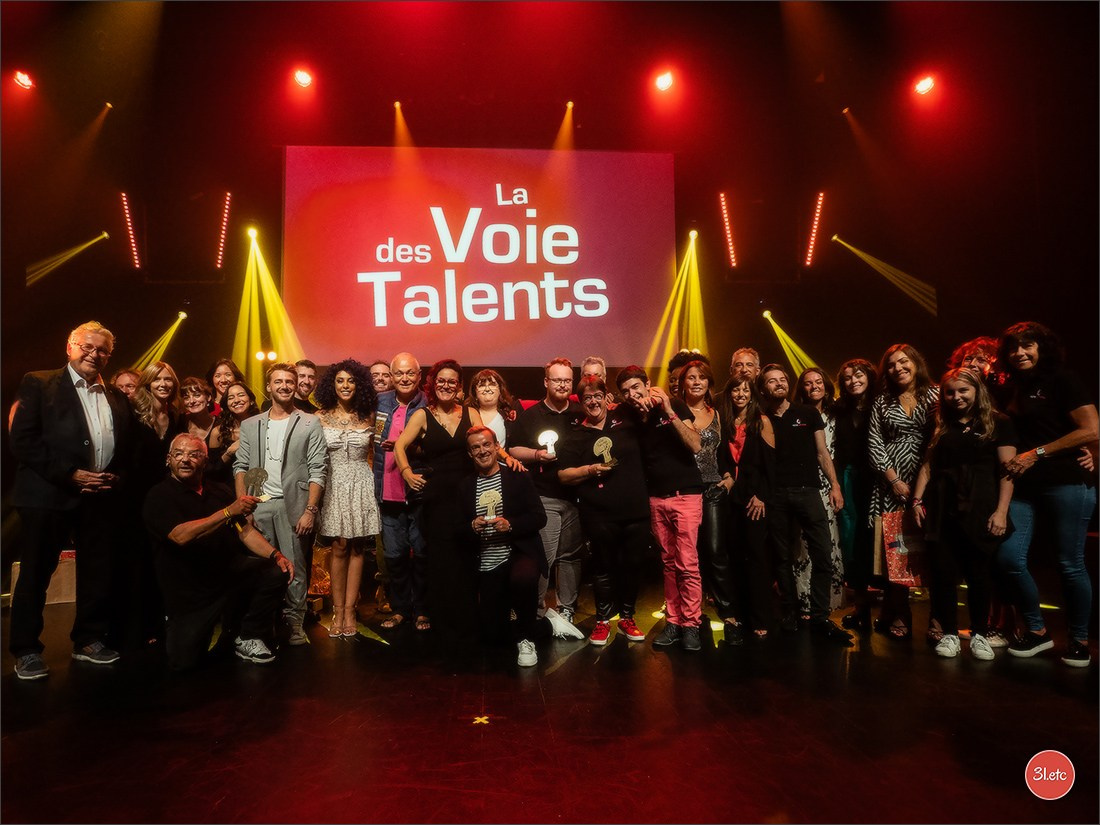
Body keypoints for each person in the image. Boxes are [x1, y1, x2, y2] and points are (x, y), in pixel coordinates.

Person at [9, 321, 135, 680]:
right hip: (48, 496)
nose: (94, 354)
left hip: (99, 499)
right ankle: (27, 649)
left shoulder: (116, 396)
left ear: (109, 357)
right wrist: (70, 474)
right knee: (35, 573)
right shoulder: (39, 382)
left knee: (97, 571)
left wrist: (115, 476)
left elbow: (125, 449)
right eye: (88, 347)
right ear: (70, 346)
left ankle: (89, 640)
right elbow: (23, 440)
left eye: (102, 351)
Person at [143, 434, 294, 669]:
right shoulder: (159, 495)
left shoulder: (219, 491)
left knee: (276, 570)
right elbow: (180, 536)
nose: (185, 460)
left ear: (205, 461)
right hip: (190, 594)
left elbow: (244, 531)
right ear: (168, 459)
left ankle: (246, 634)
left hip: (226, 575)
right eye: (179, 454)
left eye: (194, 455)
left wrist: (276, 555)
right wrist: (227, 512)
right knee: (184, 663)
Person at [996, 322, 1098, 667]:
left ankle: (1079, 640)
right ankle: (1037, 632)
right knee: (1010, 558)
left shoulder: (1062, 379)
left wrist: (1037, 454)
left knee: (1069, 564)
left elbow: (1091, 428)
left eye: (1028, 346)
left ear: (1043, 348)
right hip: (1024, 486)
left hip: (1066, 481)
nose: (1020, 353)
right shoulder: (1012, 387)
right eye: (1013, 348)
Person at [911, 369, 1016, 660]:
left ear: (976, 390)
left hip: (981, 503)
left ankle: (980, 634)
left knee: (979, 572)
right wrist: (917, 500)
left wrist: (1001, 511)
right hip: (943, 504)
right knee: (943, 571)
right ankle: (949, 634)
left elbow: (1008, 472)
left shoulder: (998, 422)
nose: (956, 397)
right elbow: (928, 465)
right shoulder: (942, 423)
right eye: (950, 392)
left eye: (962, 391)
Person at [395, 359, 499, 644]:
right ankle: (444, 626)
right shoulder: (422, 415)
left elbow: (486, 444)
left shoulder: (471, 412)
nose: (446, 385)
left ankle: (469, 623)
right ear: (432, 384)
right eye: (441, 380)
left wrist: (509, 460)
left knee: (467, 561)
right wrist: (406, 472)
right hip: (436, 501)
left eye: (452, 381)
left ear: (459, 386)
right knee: (440, 563)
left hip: (469, 497)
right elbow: (400, 447)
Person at [460, 426, 578, 665]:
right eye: (476, 447)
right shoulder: (465, 486)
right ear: (470, 454)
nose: (482, 451)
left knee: (523, 578)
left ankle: (527, 640)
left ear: (496, 447)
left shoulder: (518, 476)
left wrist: (511, 524)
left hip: (518, 553)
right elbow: (456, 525)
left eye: (486, 445)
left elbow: (538, 517)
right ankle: (547, 623)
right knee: (492, 635)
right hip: (486, 561)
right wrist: (472, 525)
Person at [234, 362, 327, 646]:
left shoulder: (310, 422)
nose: (285, 386)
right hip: (259, 505)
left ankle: (296, 625)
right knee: (265, 569)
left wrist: (310, 510)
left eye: (290, 381)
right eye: (279, 381)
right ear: (269, 386)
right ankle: (266, 625)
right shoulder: (251, 424)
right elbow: (241, 466)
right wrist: (243, 506)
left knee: (296, 570)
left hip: (295, 506)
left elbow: (318, 469)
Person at [758, 363, 851, 645]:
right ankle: (790, 613)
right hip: (776, 495)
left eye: (783, 379)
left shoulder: (807, 413)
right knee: (783, 558)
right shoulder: (760, 418)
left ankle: (821, 616)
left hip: (809, 492)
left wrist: (835, 486)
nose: (779, 383)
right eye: (772, 381)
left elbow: (823, 453)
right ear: (763, 389)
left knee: (823, 553)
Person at [617, 365, 706, 651]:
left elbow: (695, 445)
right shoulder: (632, 417)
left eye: (636, 387)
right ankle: (674, 621)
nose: (632, 394)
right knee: (668, 564)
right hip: (656, 498)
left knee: (688, 564)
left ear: (647, 384)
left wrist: (668, 410)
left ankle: (692, 624)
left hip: (686, 495)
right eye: (626, 391)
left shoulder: (674, 404)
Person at [557, 376, 649, 645]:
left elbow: (649, 399)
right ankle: (602, 620)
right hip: (599, 513)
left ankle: (627, 618)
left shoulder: (626, 418)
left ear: (607, 396)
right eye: (587, 398)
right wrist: (590, 470)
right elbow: (563, 475)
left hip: (635, 509)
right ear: (581, 402)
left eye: (598, 395)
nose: (593, 401)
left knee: (632, 565)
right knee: (603, 567)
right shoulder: (576, 434)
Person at [867, 344, 940, 643]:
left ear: (916, 362)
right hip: (892, 484)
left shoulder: (936, 394)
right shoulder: (882, 401)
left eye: (903, 361)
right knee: (896, 553)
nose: (898, 368)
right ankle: (899, 614)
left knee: (935, 552)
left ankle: (939, 617)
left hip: (932, 480)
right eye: (892, 365)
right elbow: (874, 443)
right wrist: (894, 480)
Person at [508, 358, 586, 629]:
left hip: (577, 498)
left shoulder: (580, 412)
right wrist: (537, 454)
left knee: (570, 557)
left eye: (567, 380)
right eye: (557, 380)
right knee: (544, 558)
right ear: (546, 382)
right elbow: (512, 449)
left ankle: (566, 609)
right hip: (545, 498)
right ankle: (535, 610)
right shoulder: (531, 415)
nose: (563, 384)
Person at [314, 359, 380, 638]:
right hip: (332, 484)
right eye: (340, 380)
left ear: (359, 385)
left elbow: (377, 453)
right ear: (332, 384)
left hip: (361, 483)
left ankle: (351, 610)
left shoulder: (370, 416)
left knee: (357, 548)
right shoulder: (318, 417)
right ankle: (336, 609)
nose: (345, 385)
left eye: (351, 381)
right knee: (339, 547)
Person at [678, 359, 740, 644]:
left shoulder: (718, 415)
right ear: (683, 383)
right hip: (684, 490)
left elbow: (726, 455)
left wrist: (729, 480)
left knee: (716, 550)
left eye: (701, 378)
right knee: (690, 555)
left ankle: (728, 614)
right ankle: (693, 611)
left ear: (708, 383)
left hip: (714, 489)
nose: (696, 382)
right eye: (691, 377)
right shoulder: (675, 412)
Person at [714, 376, 776, 639]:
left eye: (745, 390)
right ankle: (737, 614)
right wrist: (727, 477)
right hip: (731, 498)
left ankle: (759, 616)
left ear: (752, 394)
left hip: (755, 499)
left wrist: (761, 496)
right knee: (734, 556)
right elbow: (722, 460)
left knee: (757, 558)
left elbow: (771, 465)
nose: (740, 393)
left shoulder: (761, 421)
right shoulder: (724, 422)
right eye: (735, 389)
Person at [373, 352, 429, 631]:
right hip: (387, 491)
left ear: (419, 377)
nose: (404, 378)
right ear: (391, 377)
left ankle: (421, 610)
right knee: (394, 556)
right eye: (399, 374)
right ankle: (400, 609)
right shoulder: (380, 401)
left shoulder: (428, 405)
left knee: (421, 554)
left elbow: (438, 447)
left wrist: (408, 446)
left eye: (410, 373)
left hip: (418, 491)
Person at [792, 367, 844, 620]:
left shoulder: (836, 414)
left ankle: (826, 602)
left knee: (829, 543)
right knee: (804, 545)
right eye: (808, 383)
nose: (814, 387)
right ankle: (804, 602)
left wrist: (836, 484)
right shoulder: (796, 414)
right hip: (807, 483)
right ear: (801, 388)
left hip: (832, 482)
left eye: (819, 382)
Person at [833, 358, 878, 632]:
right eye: (847, 377)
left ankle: (896, 611)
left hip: (878, 478)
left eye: (858, 375)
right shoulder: (840, 408)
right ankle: (861, 607)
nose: (853, 381)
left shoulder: (882, 404)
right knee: (852, 541)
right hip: (850, 476)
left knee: (880, 540)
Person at [207, 381, 261, 486]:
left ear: (251, 401)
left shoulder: (264, 426)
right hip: (228, 490)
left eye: (241, 395)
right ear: (226, 405)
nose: (236, 400)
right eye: (231, 398)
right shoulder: (218, 432)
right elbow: (211, 471)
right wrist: (229, 453)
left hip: (260, 486)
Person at [466, 368, 518, 447]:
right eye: (482, 386)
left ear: (500, 390)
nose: (487, 389)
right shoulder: (467, 415)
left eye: (492, 384)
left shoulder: (510, 416)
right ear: (475, 393)